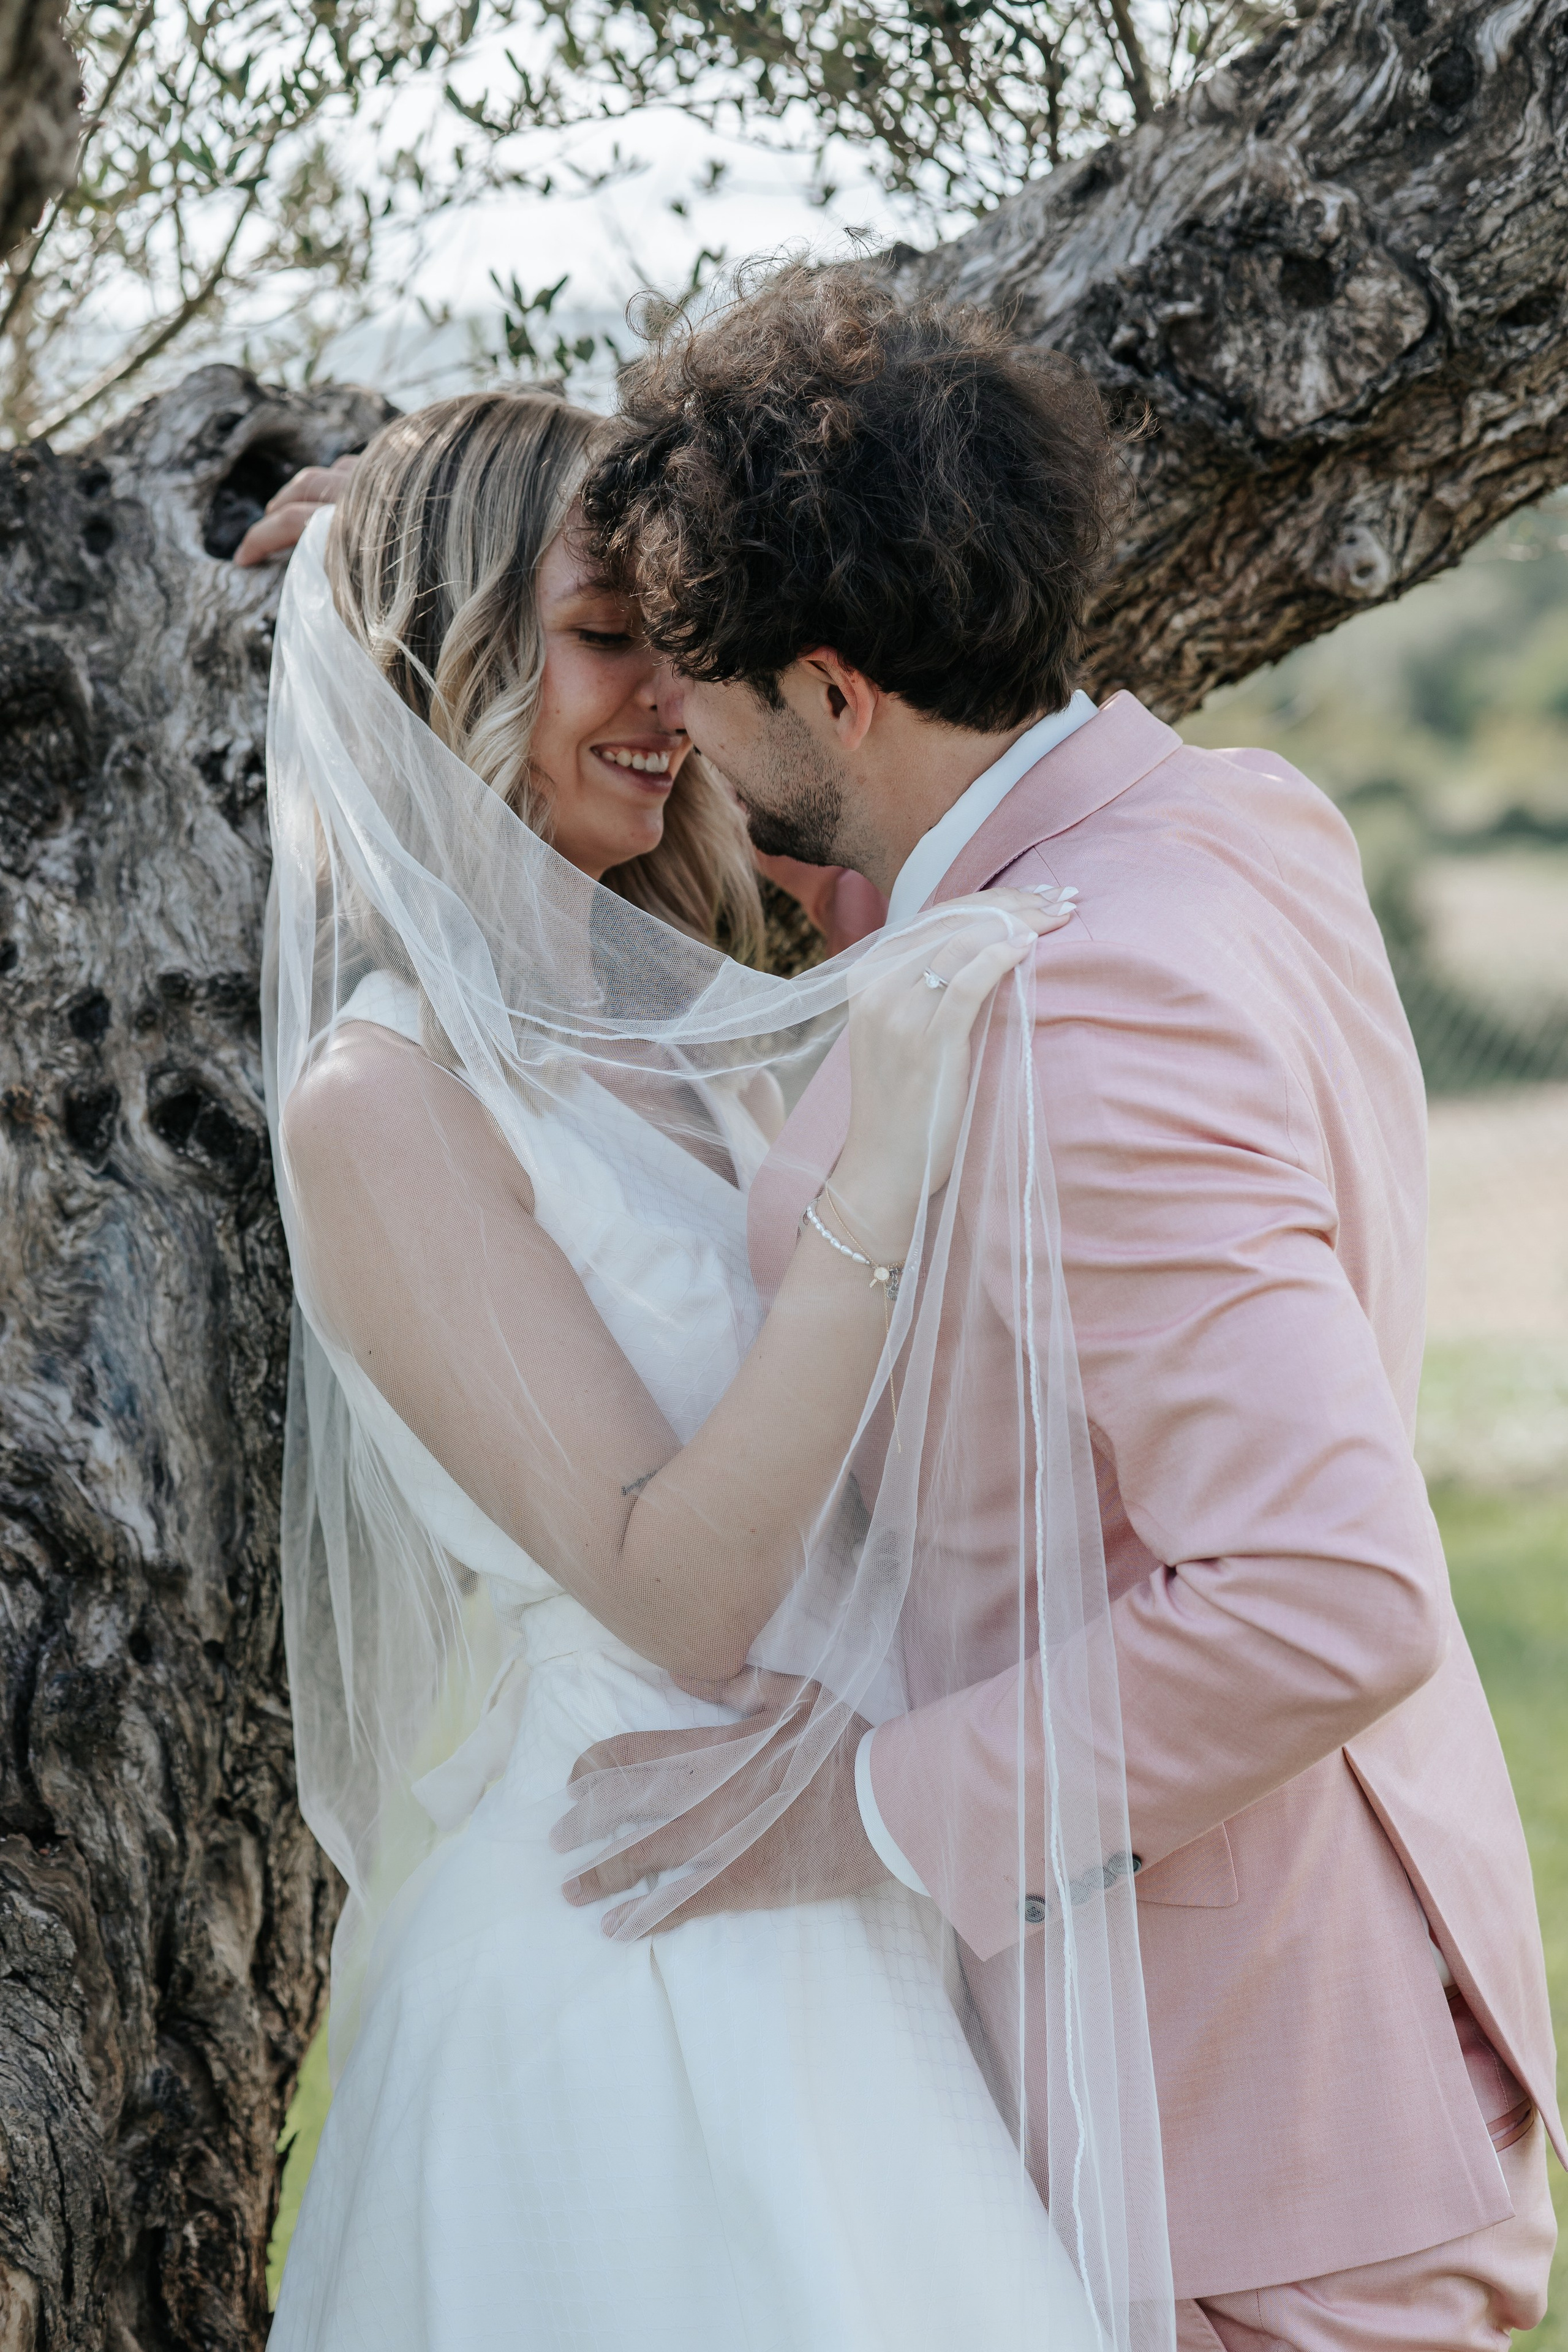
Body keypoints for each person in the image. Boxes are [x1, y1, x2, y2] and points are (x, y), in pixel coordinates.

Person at [538, 264, 1559, 2352]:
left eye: (703, 681)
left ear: (834, 692)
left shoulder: (1071, 1008)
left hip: (1250, 2121)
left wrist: (856, 1812)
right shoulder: (1220, 821)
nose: (678, 728)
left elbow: (1323, 1592)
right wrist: (401, 524)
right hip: (1242, 2069)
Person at [260, 386, 1147, 2350]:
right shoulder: (380, 1102)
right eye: (604, 636)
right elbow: (678, 1592)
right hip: (623, 1951)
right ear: (450, 663)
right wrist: (882, 1172)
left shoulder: (702, 1028)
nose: (671, 697)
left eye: (681, 635)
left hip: (840, 1904)